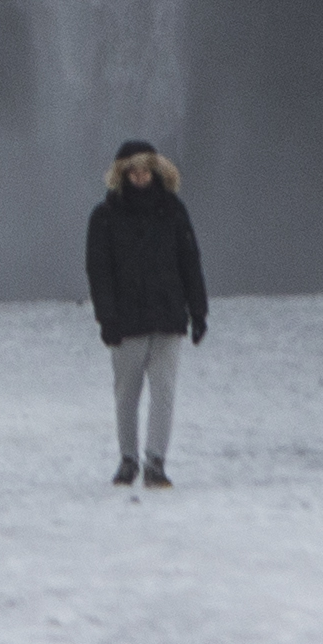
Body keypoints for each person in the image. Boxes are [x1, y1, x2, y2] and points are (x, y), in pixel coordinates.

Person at [83, 139, 206, 487]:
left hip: (168, 317)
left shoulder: (173, 210)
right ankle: (128, 459)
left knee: (164, 392)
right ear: (122, 175)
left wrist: (198, 311)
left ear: (155, 171)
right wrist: (106, 319)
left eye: (145, 170)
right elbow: (99, 272)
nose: (140, 177)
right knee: (127, 395)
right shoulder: (104, 218)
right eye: (133, 171)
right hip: (126, 321)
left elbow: (190, 263)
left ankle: (156, 461)